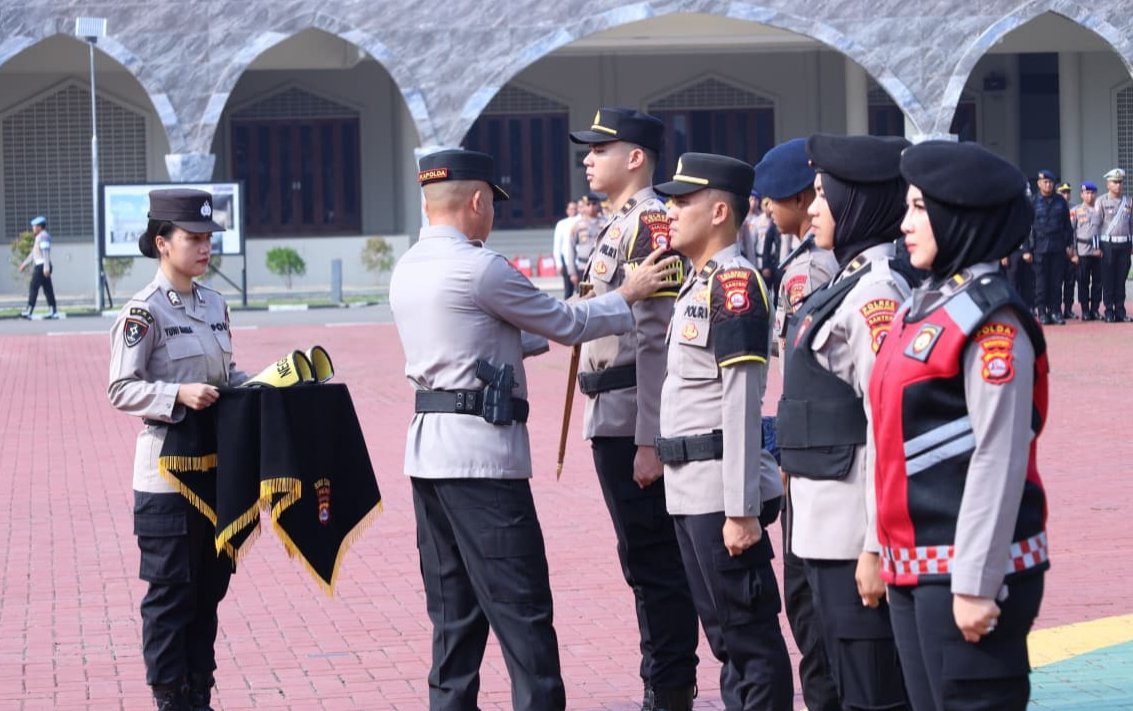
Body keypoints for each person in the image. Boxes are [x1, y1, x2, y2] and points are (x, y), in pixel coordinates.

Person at [388, 148, 679, 711]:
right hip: (483, 461)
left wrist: (571, 312)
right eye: (490, 204)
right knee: (523, 612)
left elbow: (501, 333)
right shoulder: (481, 267)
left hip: (428, 456)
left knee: (453, 616)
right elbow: (566, 324)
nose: (491, 215)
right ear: (476, 201)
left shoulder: (411, 267)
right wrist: (629, 293)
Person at [874, 141, 1050, 711]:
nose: (905, 223)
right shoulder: (922, 306)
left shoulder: (991, 320)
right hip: (912, 561)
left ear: (962, 217)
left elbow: (999, 456)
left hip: (964, 567)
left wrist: (976, 580)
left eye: (921, 208)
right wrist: (878, 548)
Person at [569, 107, 701, 711]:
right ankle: (664, 676)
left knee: (653, 560)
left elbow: (655, 336)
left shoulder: (650, 224)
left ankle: (669, 685)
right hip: (610, 411)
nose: (588, 159)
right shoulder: (616, 223)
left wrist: (650, 437)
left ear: (636, 157)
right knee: (640, 557)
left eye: (600, 149)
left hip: (631, 418)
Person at [654, 152, 793, 711]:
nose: (670, 211)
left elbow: (741, 402)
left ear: (717, 212)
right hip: (691, 488)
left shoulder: (734, 284)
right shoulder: (699, 283)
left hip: (721, 491)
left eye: (683, 201)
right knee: (727, 641)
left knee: (749, 639)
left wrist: (741, 510)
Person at [778, 134, 913, 710]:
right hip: (822, 531)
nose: (811, 209)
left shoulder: (876, 295)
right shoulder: (846, 283)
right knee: (838, 685)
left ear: (855, 203)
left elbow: (890, 426)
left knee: (872, 694)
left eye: (823, 196)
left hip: (852, 536)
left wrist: (876, 547)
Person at [107, 189, 247, 711]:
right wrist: (176, 395)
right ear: (162, 243)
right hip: (166, 480)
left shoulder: (214, 304)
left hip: (215, 472)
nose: (204, 246)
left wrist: (269, 383)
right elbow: (120, 388)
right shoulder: (143, 313)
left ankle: (199, 694)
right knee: (171, 597)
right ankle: (170, 698)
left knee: (208, 591)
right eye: (193, 237)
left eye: (208, 237)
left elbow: (226, 375)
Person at [753, 138, 841, 711]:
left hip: (815, 453)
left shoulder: (808, 270)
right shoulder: (812, 259)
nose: (764, 211)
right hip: (816, 447)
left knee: (810, 607)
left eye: (770, 201)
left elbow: (806, 371)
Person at [1029, 170, 1073, 324]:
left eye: (1050, 182)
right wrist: (1027, 249)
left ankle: (1055, 311)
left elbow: (1067, 226)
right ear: (1039, 183)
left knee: (1056, 281)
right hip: (1039, 247)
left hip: (1057, 247)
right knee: (1041, 282)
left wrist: (1070, 245)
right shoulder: (1033, 201)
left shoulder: (1061, 201)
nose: (1048, 185)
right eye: (1045, 182)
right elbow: (1027, 228)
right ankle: (1042, 312)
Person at [1096, 168, 1132, 322]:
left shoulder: (1129, 201)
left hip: (1124, 244)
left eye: (1120, 182)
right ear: (1108, 184)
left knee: (1121, 279)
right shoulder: (1101, 201)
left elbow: (1131, 224)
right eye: (1115, 182)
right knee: (1108, 279)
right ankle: (1109, 310)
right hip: (1107, 245)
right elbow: (1095, 226)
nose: (1118, 185)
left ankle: (1120, 310)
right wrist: (1096, 247)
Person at [1070, 181, 1103, 320]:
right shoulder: (1075, 210)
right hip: (1082, 251)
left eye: (1092, 193)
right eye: (1087, 193)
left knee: (1098, 283)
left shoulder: (1100, 210)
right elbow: (1071, 233)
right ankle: (1085, 310)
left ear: (1095, 194)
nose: (1089, 196)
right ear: (1082, 194)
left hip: (1098, 251)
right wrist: (1074, 253)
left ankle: (1095, 309)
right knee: (1083, 282)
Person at [19, 215, 59, 319]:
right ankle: (53, 310)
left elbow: (46, 252)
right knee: (47, 289)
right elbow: (33, 253)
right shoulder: (39, 237)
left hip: (42, 266)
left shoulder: (43, 236)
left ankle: (29, 310)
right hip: (41, 264)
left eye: (34, 226)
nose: (33, 228)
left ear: (39, 227)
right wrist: (24, 263)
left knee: (33, 287)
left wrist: (46, 267)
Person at [564, 192, 603, 287]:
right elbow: (570, 248)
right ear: (583, 207)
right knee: (583, 297)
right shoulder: (577, 225)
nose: (591, 207)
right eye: (588, 204)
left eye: (594, 204)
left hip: (602, 267)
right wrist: (572, 272)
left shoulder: (606, 223)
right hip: (583, 267)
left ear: (598, 205)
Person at [1056, 183, 1077, 318]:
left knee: (1070, 282)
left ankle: (1068, 309)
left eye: (1068, 192)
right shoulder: (1053, 207)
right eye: (1063, 192)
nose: (1066, 195)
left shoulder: (1076, 209)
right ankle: (1056, 309)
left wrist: (1073, 249)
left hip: (1071, 251)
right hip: (1056, 251)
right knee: (1056, 283)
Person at [552, 200, 579, 297]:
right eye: (571, 209)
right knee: (568, 291)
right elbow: (557, 245)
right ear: (567, 210)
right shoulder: (561, 224)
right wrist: (558, 263)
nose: (573, 211)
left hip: (581, 261)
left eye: (575, 209)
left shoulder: (582, 221)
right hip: (567, 260)